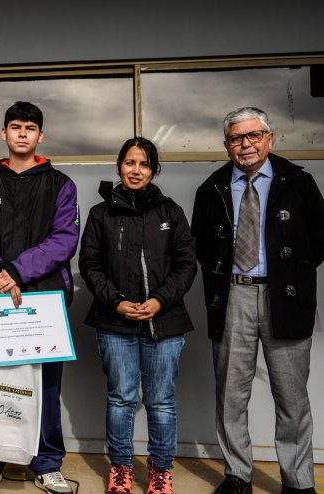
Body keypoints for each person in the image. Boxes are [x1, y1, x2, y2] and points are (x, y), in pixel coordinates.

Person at [191, 107, 324, 494]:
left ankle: (298, 482)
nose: (245, 144)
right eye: (236, 138)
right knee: (230, 394)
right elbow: (201, 243)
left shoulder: (297, 182)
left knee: (292, 397)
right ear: (226, 145)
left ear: (270, 137)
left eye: (253, 136)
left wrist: (290, 274)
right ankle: (238, 476)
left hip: (285, 296)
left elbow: (319, 237)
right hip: (233, 294)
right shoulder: (212, 186)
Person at [0, 101, 80, 494]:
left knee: (46, 386)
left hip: (43, 299)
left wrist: (17, 271)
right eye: (16, 127)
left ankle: (47, 464)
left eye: (30, 128)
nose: (23, 133)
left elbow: (64, 239)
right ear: (4, 134)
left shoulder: (61, 184)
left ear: (40, 136)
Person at [78, 138, 197, 494]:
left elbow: (186, 264)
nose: (136, 170)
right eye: (129, 163)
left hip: (165, 321)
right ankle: (121, 469)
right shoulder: (102, 213)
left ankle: (161, 471)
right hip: (115, 322)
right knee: (121, 397)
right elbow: (90, 263)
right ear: (118, 167)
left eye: (144, 164)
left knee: (161, 400)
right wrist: (115, 301)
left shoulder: (171, 212)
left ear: (153, 170)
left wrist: (160, 300)